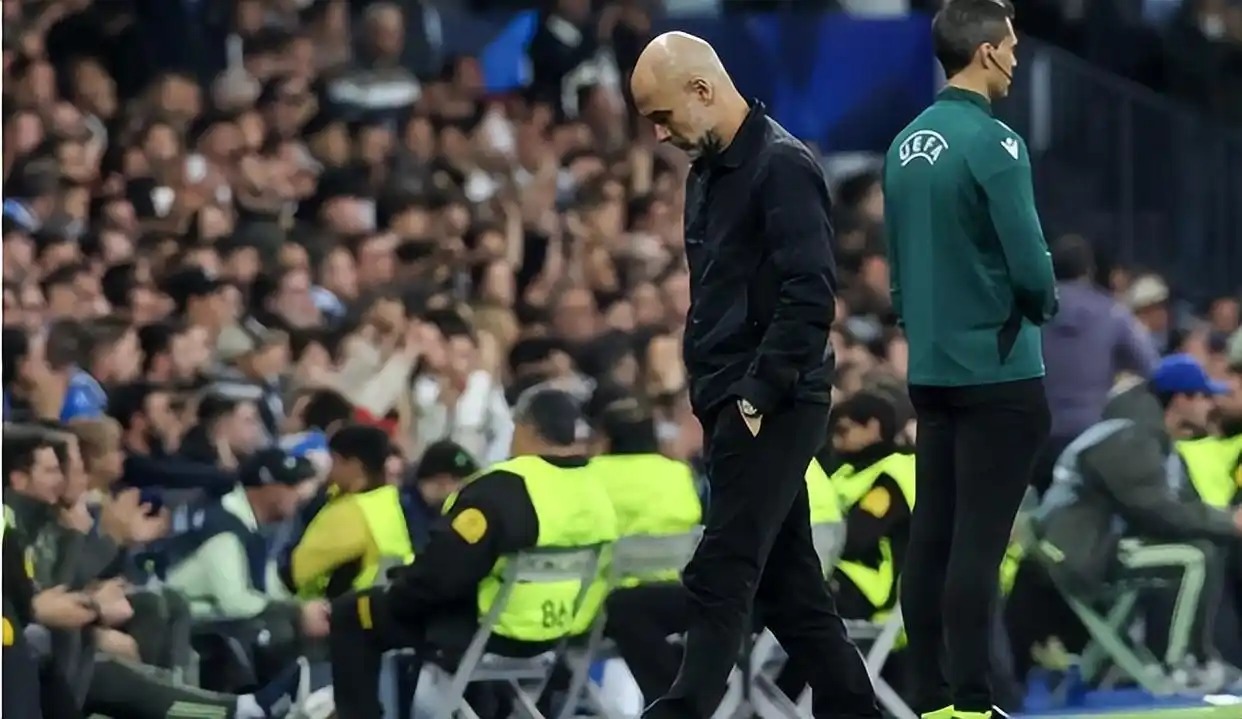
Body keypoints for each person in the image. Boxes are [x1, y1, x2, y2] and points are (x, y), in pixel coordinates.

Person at [627, 31, 878, 719]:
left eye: (663, 116)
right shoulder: (707, 172)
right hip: (731, 399)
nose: (658, 134)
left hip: (772, 400)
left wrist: (756, 396)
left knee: (723, 566)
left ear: (702, 89)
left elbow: (810, 295)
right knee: (790, 590)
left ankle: (682, 709)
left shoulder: (782, 166)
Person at [882, 2, 1058, 717]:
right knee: (978, 548)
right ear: (985, 52)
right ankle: (973, 701)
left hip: (931, 371)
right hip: (999, 371)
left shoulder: (903, 145)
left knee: (930, 540)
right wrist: (1042, 301)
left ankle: (930, 700)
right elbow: (1032, 268)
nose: (1015, 59)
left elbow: (897, 273)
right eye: (1010, 46)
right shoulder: (995, 143)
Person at [327, 387, 618, 719]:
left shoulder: (502, 488)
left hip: (487, 633)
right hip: (556, 636)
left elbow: (440, 577)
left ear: (525, 428)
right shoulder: (596, 489)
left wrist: (399, 594)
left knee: (352, 612)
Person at [1035, 354, 1242, 687]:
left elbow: (1180, 508)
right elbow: (1157, 512)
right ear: (1182, 399)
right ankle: (1176, 665)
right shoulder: (1129, 437)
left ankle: (1199, 658)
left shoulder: (1153, 437)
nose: (1212, 405)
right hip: (1080, 553)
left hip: (1105, 543)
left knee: (1206, 547)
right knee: (1193, 557)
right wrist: (1229, 522)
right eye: (1205, 396)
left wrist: (1224, 523)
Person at [284, 424, 415, 599]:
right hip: (380, 606)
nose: (330, 470)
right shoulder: (387, 502)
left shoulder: (351, 512)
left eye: (334, 461)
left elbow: (298, 571)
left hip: (345, 609)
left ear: (354, 466)